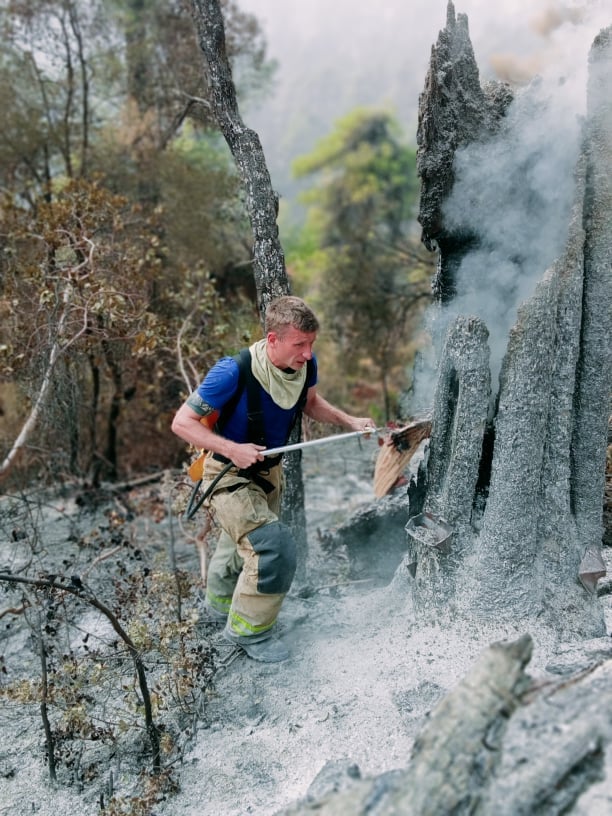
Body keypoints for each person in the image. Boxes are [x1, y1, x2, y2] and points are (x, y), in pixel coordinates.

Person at [171, 295, 375, 663]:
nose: (308, 354)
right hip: (228, 473)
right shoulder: (232, 371)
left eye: (311, 344)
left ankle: (217, 608)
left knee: (240, 545)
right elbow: (181, 423)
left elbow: (310, 403)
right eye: (300, 344)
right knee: (272, 548)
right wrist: (233, 449)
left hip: (269, 473)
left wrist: (350, 421)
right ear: (273, 339)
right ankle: (250, 632)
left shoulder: (304, 366)